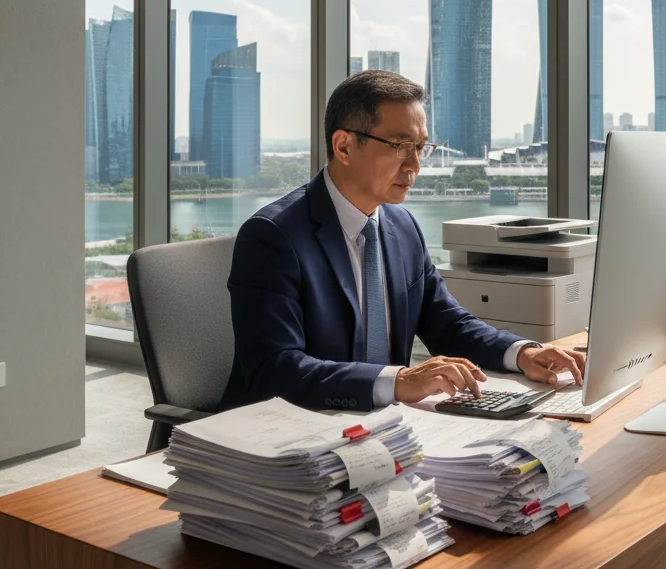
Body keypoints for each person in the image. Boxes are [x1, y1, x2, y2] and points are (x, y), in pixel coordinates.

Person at [219, 70, 586, 412]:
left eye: (421, 147)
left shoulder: (401, 225)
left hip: (384, 428)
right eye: (400, 146)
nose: (415, 166)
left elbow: (445, 322)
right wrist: (398, 381)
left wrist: (521, 353)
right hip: (285, 440)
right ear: (344, 147)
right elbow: (276, 369)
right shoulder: (273, 237)